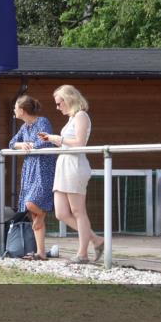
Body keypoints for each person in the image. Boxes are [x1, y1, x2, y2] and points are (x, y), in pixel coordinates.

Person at [39, 85, 104, 264]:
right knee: (61, 212)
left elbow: (80, 143)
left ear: (69, 100)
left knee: (78, 211)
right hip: (64, 165)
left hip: (75, 165)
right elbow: (67, 143)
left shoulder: (81, 116)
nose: (58, 107)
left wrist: (56, 139)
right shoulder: (71, 118)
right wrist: (53, 139)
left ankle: (82, 253)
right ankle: (96, 240)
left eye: (59, 103)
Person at [8, 95, 57, 260]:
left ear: (22, 110)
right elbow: (11, 143)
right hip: (29, 169)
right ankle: (41, 253)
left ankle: (43, 214)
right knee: (33, 214)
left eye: (15, 107)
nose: (14, 110)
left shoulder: (42, 122)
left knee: (31, 203)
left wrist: (32, 145)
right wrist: (22, 144)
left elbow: (45, 141)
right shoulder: (24, 127)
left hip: (43, 168)